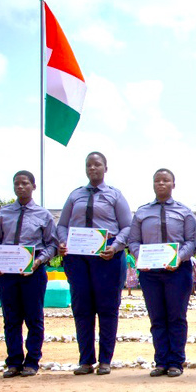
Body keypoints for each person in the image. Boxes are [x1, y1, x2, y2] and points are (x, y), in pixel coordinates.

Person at [57, 152, 132, 376]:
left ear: (105, 168)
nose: (93, 168)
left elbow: (127, 227)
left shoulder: (115, 195)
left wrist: (116, 246)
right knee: (82, 308)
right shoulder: (75, 195)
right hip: (78, 257)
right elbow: (62, 225)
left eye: (97, 165)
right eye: (89, 165)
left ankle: (106, 360)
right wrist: (62, 242)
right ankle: (86, 360)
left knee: (108, 308)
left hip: (106, 256)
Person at [0, 170, 58, 378]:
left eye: (25, 183)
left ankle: (32, 361)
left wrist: (38, 261)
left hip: (33, 273)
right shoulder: (3, 213)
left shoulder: (44, 215)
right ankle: (13, 362)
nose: (20, 187)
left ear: (33, 186)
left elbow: (52, 245)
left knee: (34, 318)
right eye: (16, 184)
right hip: (7, 273)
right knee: (11, 318)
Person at [129, 169, 196, 378]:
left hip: (178, 271)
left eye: (166, 180)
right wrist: (141, 257)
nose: (161, 183)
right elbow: (133, 241)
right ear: (153, 184)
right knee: (157, 317)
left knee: (176, 316)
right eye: (157, 180)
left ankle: (176, 361)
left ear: (173, 185)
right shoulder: (141, 213)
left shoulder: (185, 212)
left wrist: (178, 258)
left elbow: (192, 242)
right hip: (151, 273)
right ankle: (161, 361)